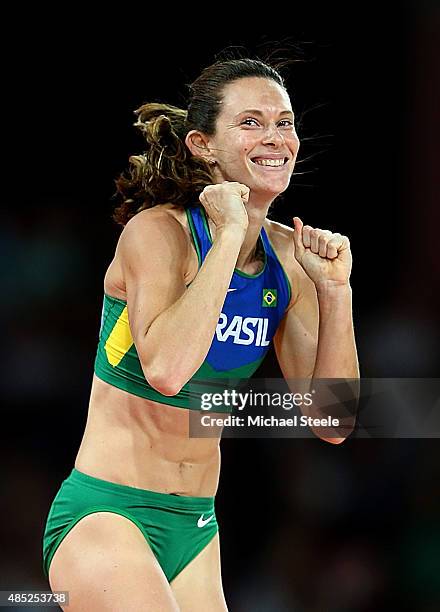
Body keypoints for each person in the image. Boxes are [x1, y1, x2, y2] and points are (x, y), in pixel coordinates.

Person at [42, 57, 359, 611]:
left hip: (196, 527)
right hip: (107, 517)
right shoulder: (158, 233)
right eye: (251, 122)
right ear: (202, 144)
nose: (275, 138)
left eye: (284, 122)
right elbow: (166, 371)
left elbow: (332, 422)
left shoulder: (291, 259)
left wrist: (335, 294)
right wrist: (231, 231)